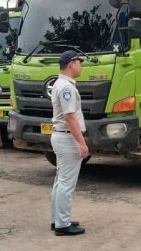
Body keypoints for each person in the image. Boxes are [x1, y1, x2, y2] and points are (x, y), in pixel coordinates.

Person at [50, 50, 89, 236]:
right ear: (72, 64)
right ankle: (62, 225)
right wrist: (82, 143)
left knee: (60, 181)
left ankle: (57, 219)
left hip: (61, 136)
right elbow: (70, 117)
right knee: (66, 183)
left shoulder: (60, 83)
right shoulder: (66, 87)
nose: (81, 66)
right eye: (79, 62)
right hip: (68, 138)